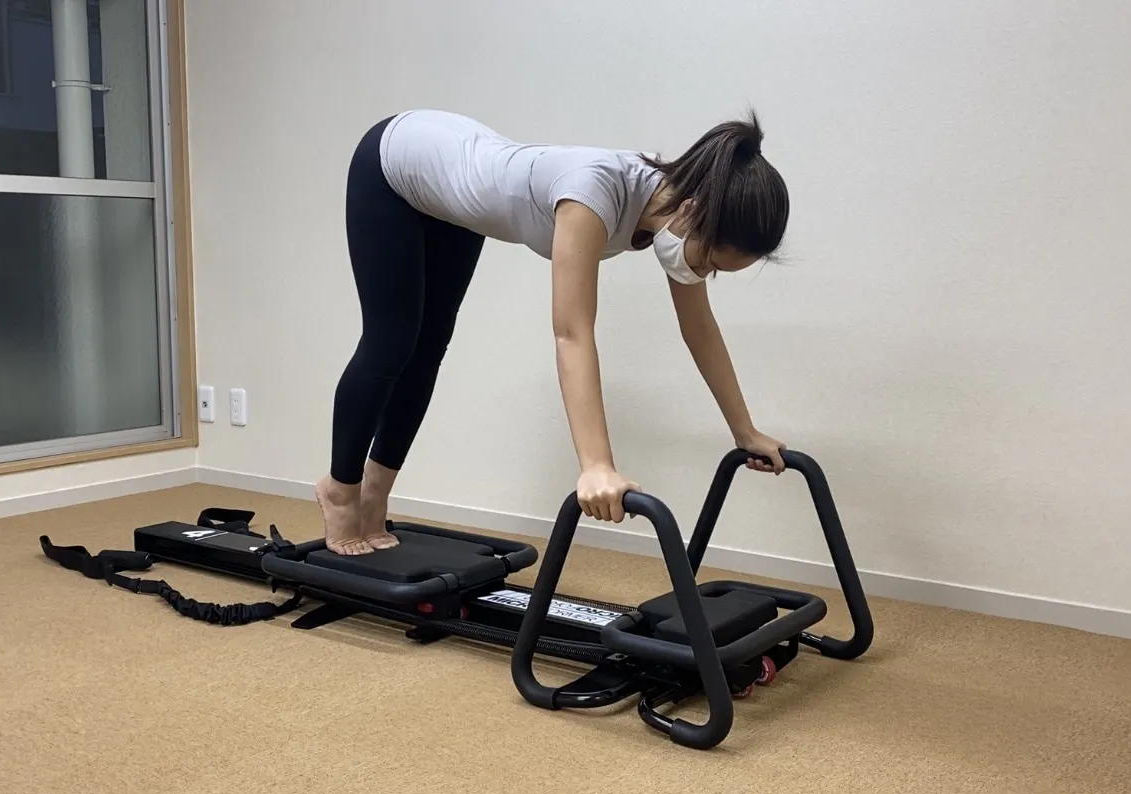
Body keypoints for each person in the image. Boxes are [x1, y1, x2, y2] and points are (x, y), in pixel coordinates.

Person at [317, 109, 792, 555]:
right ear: (691, 212)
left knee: (427, 348)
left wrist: (744, 430)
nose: (704, 275)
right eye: (711, 264)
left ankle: (374, 495)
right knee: (392, 342)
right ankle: (339, 491)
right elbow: (572, 333)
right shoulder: (592, 196)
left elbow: (699, 329)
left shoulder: (677, 206)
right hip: (397, 163)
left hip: (452, 197)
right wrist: (596, 465)